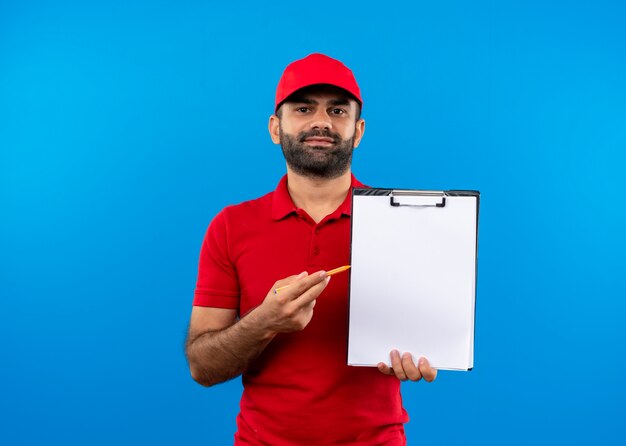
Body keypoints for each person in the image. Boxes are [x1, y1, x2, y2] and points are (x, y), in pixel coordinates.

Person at [185, 53, 437, 445]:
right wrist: (265, 321)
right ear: (275, 127)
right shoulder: (231, 226)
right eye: (304, 108)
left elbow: (427, 327)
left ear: (358, 130)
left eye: (337, 110)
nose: (321, 121)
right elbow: (203, 367)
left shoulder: (401, 223)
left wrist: (423, 350)